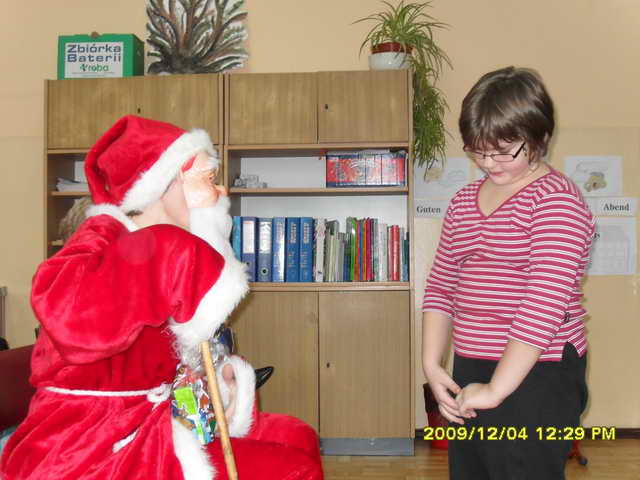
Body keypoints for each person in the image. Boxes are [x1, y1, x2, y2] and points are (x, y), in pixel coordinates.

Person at [0, 115, 323, 480]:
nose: (221, 192)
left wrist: (221, 384)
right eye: (208, 178)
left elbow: (164, 367)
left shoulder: (153, 253)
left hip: (149, 424)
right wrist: (170, 246)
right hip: (88, 446)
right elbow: (69, 318)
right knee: (292, 469)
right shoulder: (103, 241)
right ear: (166, 185)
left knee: (296, 436)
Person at [421, 66, 595, 480]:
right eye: (477, 151)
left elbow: (542, 305)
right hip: (472, 361)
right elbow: (441, 286)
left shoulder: (556, 201)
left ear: (539, 136)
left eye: (503, 151)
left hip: (539, 367)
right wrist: (432, 366)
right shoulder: (463, 202)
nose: (488, 163)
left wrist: (497, 389)